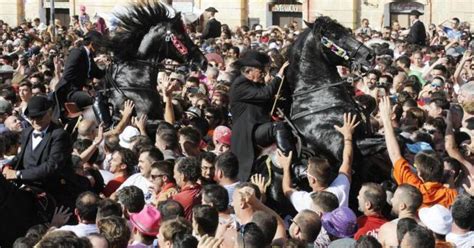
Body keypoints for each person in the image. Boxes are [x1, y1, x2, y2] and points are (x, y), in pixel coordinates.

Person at [3, 96, 88, 209]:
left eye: (39, 117)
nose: (35, 121)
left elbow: (52, 166)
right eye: (32, 117)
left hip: (53, 191)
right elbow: (21, 156)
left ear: (49, 112)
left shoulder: (59, 135)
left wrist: (18, 174)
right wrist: (7, 166)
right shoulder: (27, 132)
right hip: (29, 186)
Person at [379, 97, 457, 208]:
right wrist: (451, 182)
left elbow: (395, 155)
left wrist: (386, 120)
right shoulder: (451, 195)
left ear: (419, 174)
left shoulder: (414, 188)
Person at [229, 51, 291, 182]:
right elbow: (265, 95)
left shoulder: (255, 85)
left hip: (258, 128)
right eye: (260, 71)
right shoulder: (240, 84)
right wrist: (278, 76)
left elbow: (270, 100)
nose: (263, 74)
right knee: (277, 127)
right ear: (249, 71)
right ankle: (288, 162)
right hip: (249, 133)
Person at [282, 113, 358, 211]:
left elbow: (287, 189)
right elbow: (347, 160)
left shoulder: (306, 201)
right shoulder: (340, 189)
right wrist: (348, 136)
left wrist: (285, 167)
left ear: (313, 180)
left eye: (307, 173)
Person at [53, 30, 106, 121]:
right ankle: (104, 122)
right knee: (96, 98)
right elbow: (67, 74)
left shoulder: (89, 57)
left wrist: (110, 67)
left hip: (79, 90)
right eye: (99, 45)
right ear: (92, 44)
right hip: (70, 92)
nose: (99, 48)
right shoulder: (77, 52)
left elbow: (99, 74)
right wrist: (84, 82)